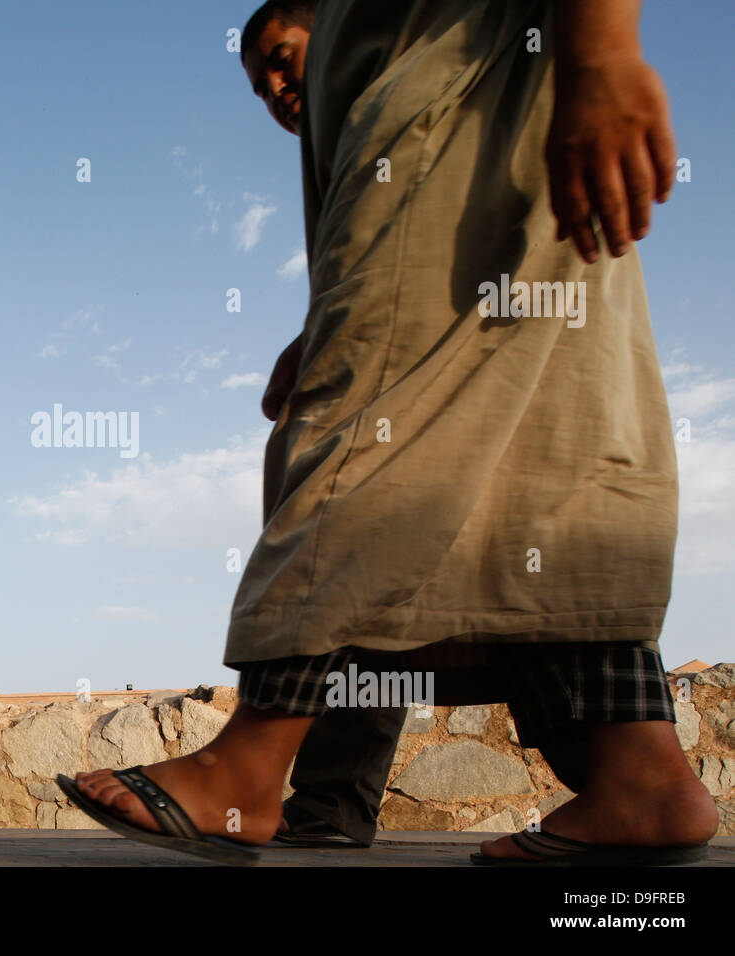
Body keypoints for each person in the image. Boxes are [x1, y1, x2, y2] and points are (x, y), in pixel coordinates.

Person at [59, 0, 718, 866]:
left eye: (285, 58)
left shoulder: (404, 50)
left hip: (462, 110)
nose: (277, 87)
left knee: (361, 435)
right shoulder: (344, 107)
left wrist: (601, 55)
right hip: (498, 139)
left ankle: (247, 765)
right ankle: (642, 776)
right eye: (259, 83)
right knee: (552, 468)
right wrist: (316, 326)